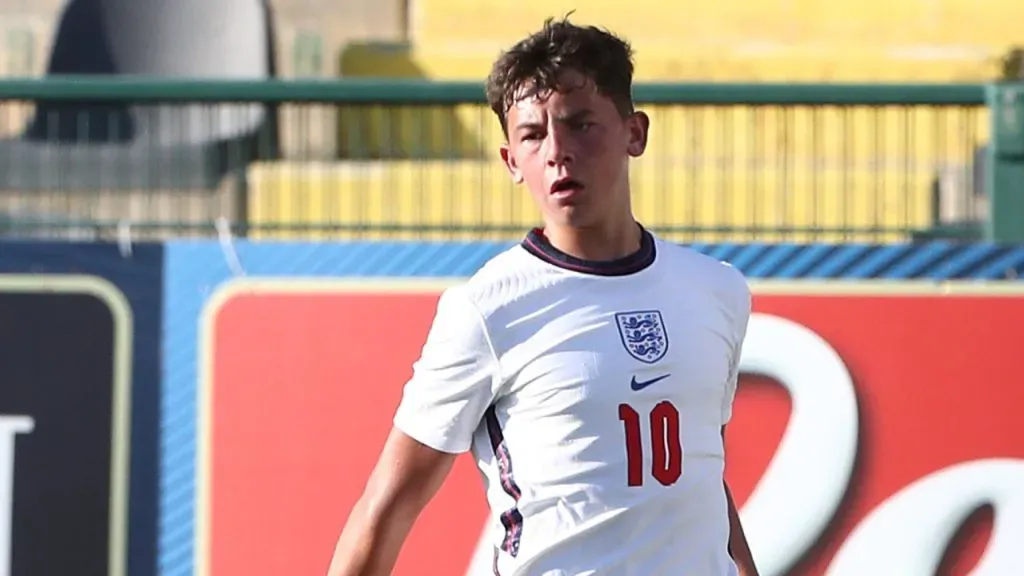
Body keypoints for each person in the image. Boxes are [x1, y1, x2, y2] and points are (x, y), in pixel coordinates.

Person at [327, 16, 759, 576]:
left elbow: (698, 477)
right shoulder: (487, 308)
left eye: (581, 124)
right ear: (511, 161)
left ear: (635, 133)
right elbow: (387, 506)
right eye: (533, 134)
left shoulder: (717, 290)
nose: (557, 151)